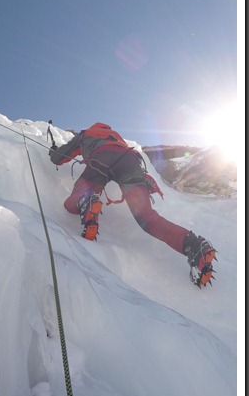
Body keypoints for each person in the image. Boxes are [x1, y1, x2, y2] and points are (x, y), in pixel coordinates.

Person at [49, 122, 216, 287]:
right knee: (147, 218)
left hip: (101, 158)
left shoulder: (86, 134)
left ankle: (86, 201)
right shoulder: (116, 136)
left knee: (73, 200)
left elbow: (59, 158)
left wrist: (54, 152)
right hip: (130, 161)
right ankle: (195, 247)